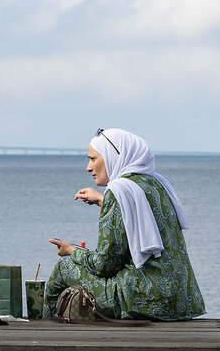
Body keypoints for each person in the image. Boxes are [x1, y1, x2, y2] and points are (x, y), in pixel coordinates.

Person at [43, 128, 205, 321]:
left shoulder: (118, 190)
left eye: (93, 159)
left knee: (64, 267)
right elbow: (141, 218)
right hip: (181, 301)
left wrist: (72, 251)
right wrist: (103, 201)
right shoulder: (156, 184)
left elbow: (104, 265)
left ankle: (43, 324)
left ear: (112, 156)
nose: (88, 167)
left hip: (145, 300)